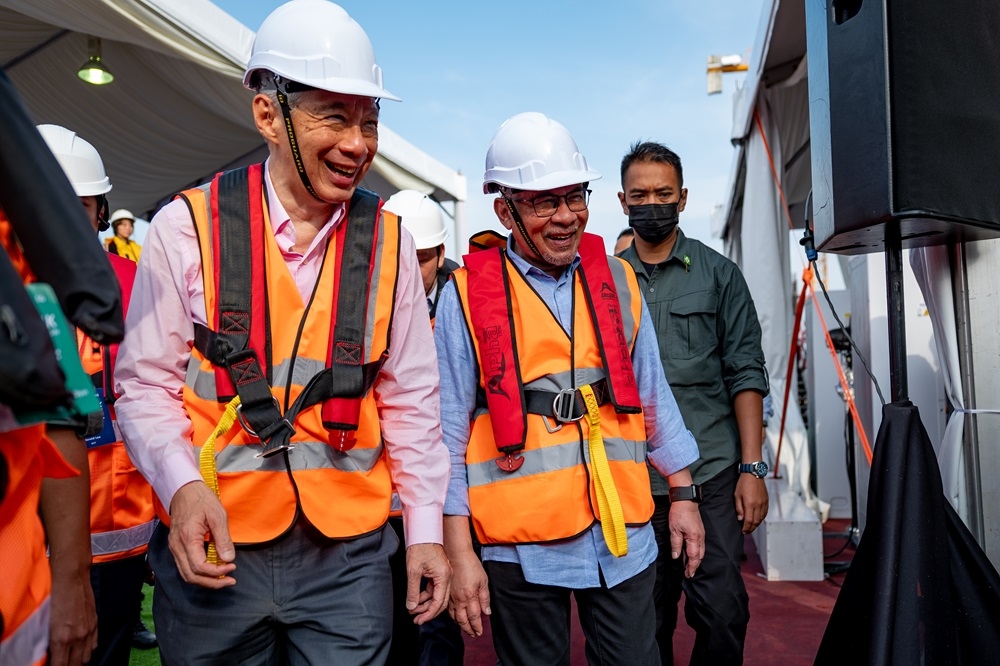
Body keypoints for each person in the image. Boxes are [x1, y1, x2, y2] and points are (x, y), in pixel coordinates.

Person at [113, 2, 451, 664]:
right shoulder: (186, 228)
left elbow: (413, 401)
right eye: (335, 116)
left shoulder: (390, 244)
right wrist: (183, 488)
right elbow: (144, 385)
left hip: (349, 557)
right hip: (216, 544)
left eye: (370, 120)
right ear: (268, 115)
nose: (359, 144)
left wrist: (424, 533)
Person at [437, 112, 705, 666]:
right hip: (520, 543)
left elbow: (653, 395)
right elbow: (446, 434)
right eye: (543, 202)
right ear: (505, 211)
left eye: (575, 196)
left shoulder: (619, 280)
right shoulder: (464, 296)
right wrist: (459, 552)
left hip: (622, 530)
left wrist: (683, 494)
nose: (565, 216)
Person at [616, 141, 769, 665]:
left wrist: (752, 468)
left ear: (682, 198)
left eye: (663, 194)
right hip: (635, 479)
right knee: (641, 621)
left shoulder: (720, 275)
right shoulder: (604, 283)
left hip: (712, 473)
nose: (651, 204)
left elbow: (746, 372)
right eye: (640, 195)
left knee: (723, 611)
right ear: (622, 201)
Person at [37, 124, 157, 666]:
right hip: (22, 533)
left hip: (120, 525)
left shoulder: (137, 283)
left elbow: (164, 397)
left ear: (101, 213)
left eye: (79, 207)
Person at [382, 189, 464, 666]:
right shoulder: (357, 303)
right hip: (375, 500)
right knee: (388, 625)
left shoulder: (463, 306)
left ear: (440, 253)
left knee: (438, 624)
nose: (410, 269)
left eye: (422, 258)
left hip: (441, 496)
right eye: (402, 257)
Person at [384, 189, 460, 323]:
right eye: (397, 260)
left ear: (441, 254)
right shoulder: (366, 298)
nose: (409, 272)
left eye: (420, 260)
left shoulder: (463, 302)